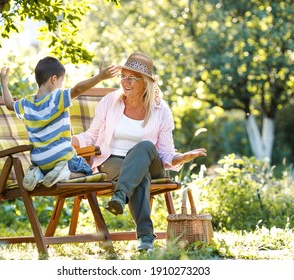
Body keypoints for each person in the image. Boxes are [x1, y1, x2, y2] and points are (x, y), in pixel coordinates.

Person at [72, 52, 207, 251]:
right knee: (139, 174)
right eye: (123, 76)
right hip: (112, 161)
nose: (125, 82)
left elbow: (166, 152)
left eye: (132, 78)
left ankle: (120, 195)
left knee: (145, 147)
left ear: (145, 83)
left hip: (151, 163)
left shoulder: (161, 110)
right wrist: (69, 142)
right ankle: (145, 238)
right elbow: (91, 136)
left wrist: (181, 158)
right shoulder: (111, 101)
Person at [0, 56, 118, 191]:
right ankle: (65, 174)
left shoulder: (27, 103)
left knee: (50, 169)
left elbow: (9, 104)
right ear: (54, 79)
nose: (62, 86)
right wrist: (100, 77)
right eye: (61, 82)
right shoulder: (57, 98)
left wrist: (4, 83)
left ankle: (38, 174)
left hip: (39, 161)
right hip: (61, 157)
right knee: (88, 172)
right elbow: (78, 89)